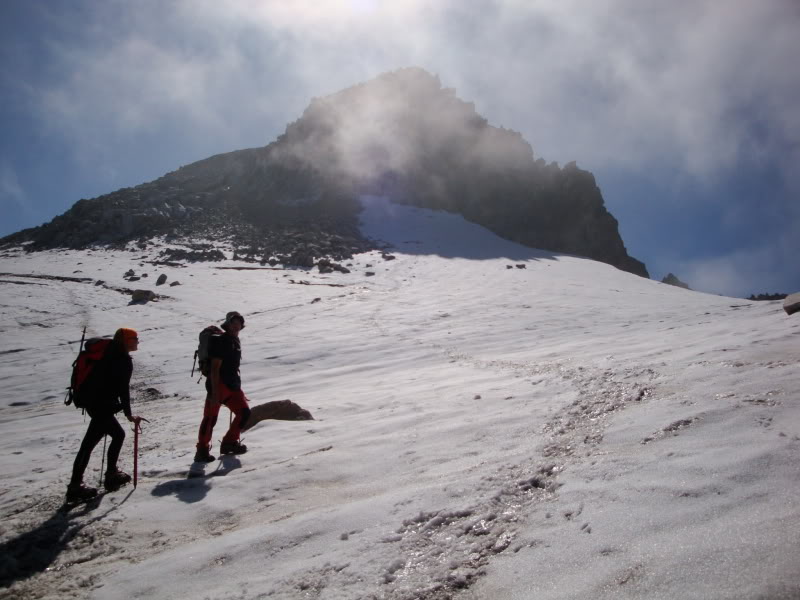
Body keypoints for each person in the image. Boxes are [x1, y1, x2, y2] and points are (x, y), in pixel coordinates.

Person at [66, 328, 143, 502]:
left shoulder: (107, 355)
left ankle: (99, 477)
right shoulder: (122, 360)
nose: (138, 341)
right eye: (135, 338)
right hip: (102, 406)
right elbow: (123, 390)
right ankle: (84, 483)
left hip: (94, 404)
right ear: (126, 341)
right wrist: (129, 414)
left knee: (105, 438)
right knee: (101, 440)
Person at [194, 311, 251, 462]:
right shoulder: (222, 341)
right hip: (219, 384)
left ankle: (229, 443)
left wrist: (239, 390)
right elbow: (214, 368)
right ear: (227, 324)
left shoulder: (234, 340)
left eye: (239, 323)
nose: (236, 326)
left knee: (244, 412)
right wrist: (215, 392)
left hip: (232, 385)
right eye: (233, 323)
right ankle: (202, 450)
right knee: (210, 418)